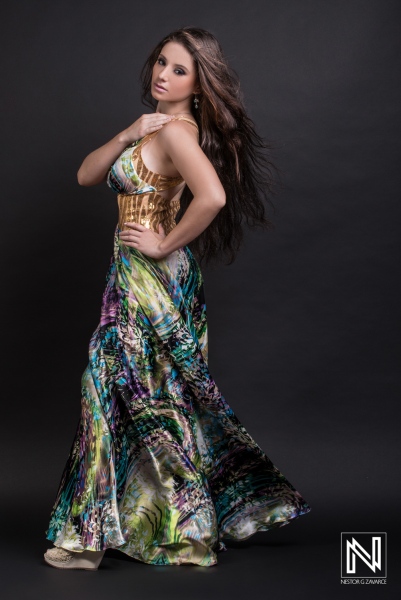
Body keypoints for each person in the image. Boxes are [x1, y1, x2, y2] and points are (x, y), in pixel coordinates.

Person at [44, 26, 311, 571]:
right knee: (141, 397)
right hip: (129, 278)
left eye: (179, 69)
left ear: (198, 83)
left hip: (154, 279)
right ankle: (163, 531)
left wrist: (163, 242)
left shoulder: (178, 134)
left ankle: (96, 540)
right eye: (161, 63)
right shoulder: (154, 129)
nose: (163, 75)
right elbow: (84, 175)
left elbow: (211, 195)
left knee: (118, 390)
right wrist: (128, 131)